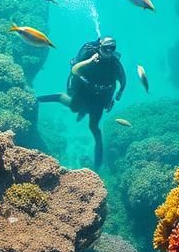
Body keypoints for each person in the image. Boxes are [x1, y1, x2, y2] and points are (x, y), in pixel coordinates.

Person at [37, 36, 126, 168]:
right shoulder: (88, 54)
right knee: (74, 107)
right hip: (83, 90)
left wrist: (117, 95)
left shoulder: (115, 64)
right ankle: (45, 99)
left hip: (100, 97)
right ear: (100, 47)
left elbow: (123, 81)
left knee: (94, 126)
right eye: (105, 48)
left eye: (111, 49)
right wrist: (90, 61)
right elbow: (75, 70)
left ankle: (98, 163)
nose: (108, 52)